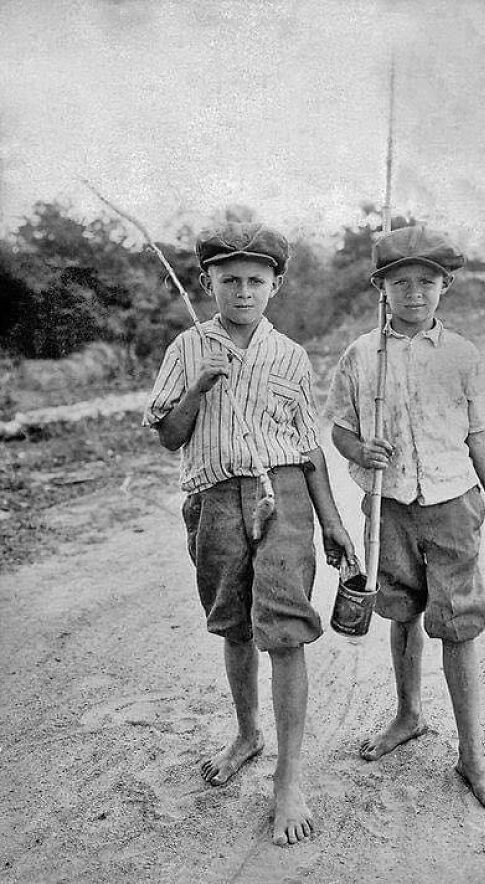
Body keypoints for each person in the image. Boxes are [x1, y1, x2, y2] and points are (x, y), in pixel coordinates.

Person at [143, 222, 354, 846]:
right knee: (233, 624)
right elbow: (168, 435)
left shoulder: (288, 355)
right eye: (228, 279)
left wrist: (334, 519)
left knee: (285, 631)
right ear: (207, 282)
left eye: (255, 281)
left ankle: (289, 778)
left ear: (276, 286)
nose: (241, 291)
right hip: (215, 499)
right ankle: (246, 732)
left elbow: (307, 446)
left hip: (284, 495)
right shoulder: (187, 347)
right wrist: (203, 382)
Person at [325, 225, 485, 809]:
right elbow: (340, 428)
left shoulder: (464, 356)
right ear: (381, 288)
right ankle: (408, 714)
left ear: (444, 285)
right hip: (388, 506)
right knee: (401, 612)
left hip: (451, 504)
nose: (413, 292)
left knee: (459, 622)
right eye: (400, 282)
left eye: (426, 281)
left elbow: (480, 438)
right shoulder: (361, 356)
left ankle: (472, 753)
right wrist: (358, 449)